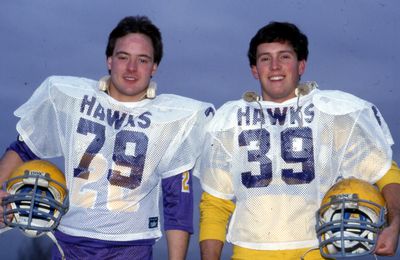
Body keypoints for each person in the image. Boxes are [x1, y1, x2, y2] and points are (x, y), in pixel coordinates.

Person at [0, 15, 214, 260]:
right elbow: (24, 148)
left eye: (142, 60)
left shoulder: (173, 119)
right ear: (109, 60)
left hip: (131, 248)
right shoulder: (70, 98)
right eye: (123, 57)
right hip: (68, 242)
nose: (131, 68)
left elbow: (177, 202)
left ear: (154, 66)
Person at [195, 21, 400, 259]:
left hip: (315, 251)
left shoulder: (332, 113)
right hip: (249, 253)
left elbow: (385, 171)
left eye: (284, 57)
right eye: (265, 59)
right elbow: (215, 203)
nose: (274, 66)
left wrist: (395, 226)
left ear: (301, 65)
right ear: (254, 69)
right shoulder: (228, 120)